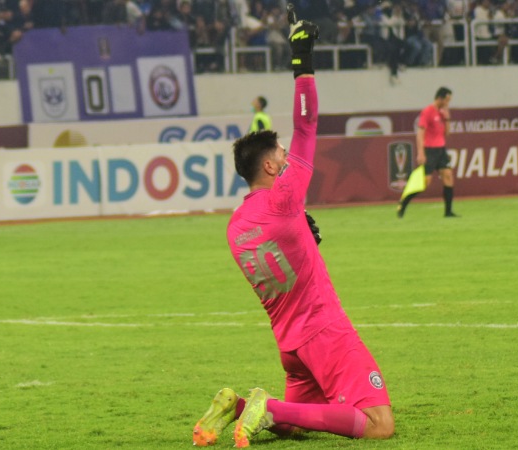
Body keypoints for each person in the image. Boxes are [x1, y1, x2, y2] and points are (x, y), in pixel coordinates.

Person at [192, 18, 395, 449]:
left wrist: (303, 234)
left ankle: (238, 405)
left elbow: (281, 255)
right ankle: (268, 406)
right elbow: (306, 126)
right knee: (378, 424)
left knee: (296, 427)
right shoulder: (285, 199)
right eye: (281, 156)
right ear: (269, 166)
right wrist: (302, 62)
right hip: (323, 331)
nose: (287, 160)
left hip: (290, 346)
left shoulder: (236, 227)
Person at [397, 86, 458, 218]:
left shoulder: (442, 113)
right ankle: (404, 202)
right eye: (447, 100)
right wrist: (421, 152)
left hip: (441, 149)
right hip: (429, 150)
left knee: (448, 176)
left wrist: (447, 118)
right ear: (440, 98)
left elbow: (447, 134)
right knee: (425, 182)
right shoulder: (427, 111)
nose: (448, 103)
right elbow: (420, 133)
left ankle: (448, 212)